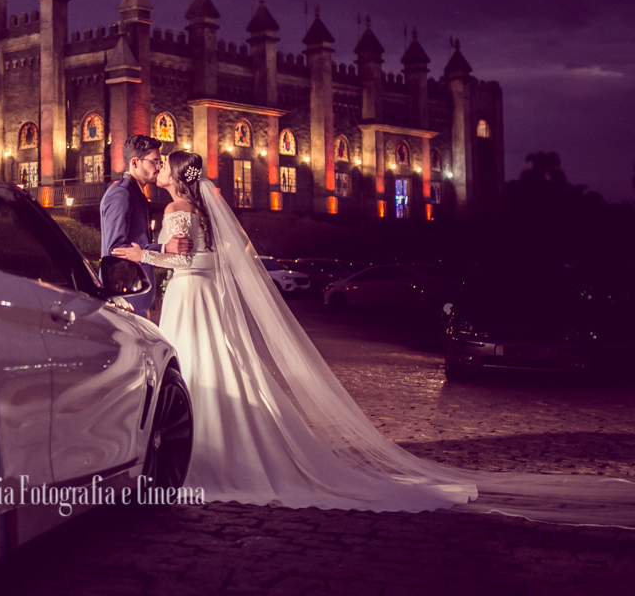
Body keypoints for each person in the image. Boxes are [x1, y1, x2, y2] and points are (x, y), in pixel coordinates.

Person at [112, 151, 635, 523]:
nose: (159, 173)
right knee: (217, 369)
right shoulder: (204, 209)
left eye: (164, 167)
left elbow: (186, 260)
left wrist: (143, 255)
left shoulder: (177, 211)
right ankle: (219, 445)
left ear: (177, 178)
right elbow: (215, 258)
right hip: (204, 300)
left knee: (196, 371)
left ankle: (204, 454)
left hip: (190, 298)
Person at [100, 135, 190, 316]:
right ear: (135, 163)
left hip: (136, 297)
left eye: (160, 162)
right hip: (124, 299)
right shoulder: (121, 194)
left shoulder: (136, 194)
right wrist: (164, 248)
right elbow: (116, 249)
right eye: (154, 161)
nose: (158, 167)